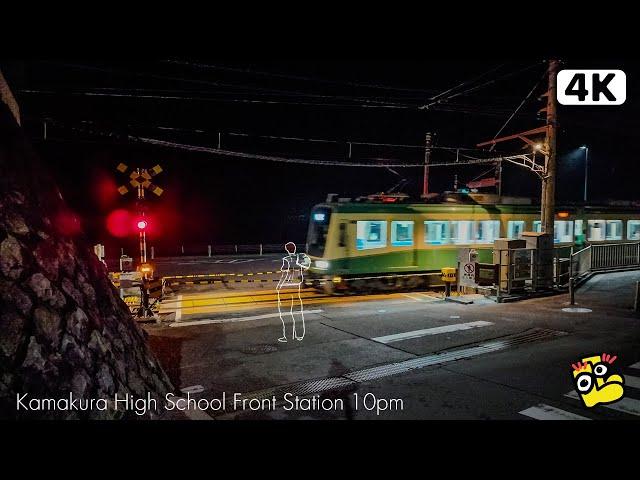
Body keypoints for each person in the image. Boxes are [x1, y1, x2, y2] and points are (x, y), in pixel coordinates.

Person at [276, 242, 310, 342]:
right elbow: (306, 267)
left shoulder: (285, 260)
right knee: (297, 312)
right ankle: (299, 335)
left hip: (286, 288)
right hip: (296, 287)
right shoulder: (300, 259)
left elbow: (283, 275)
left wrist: (278, 286)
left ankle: (287, 336)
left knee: (285, 313)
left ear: (287, 250)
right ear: (294, 249)